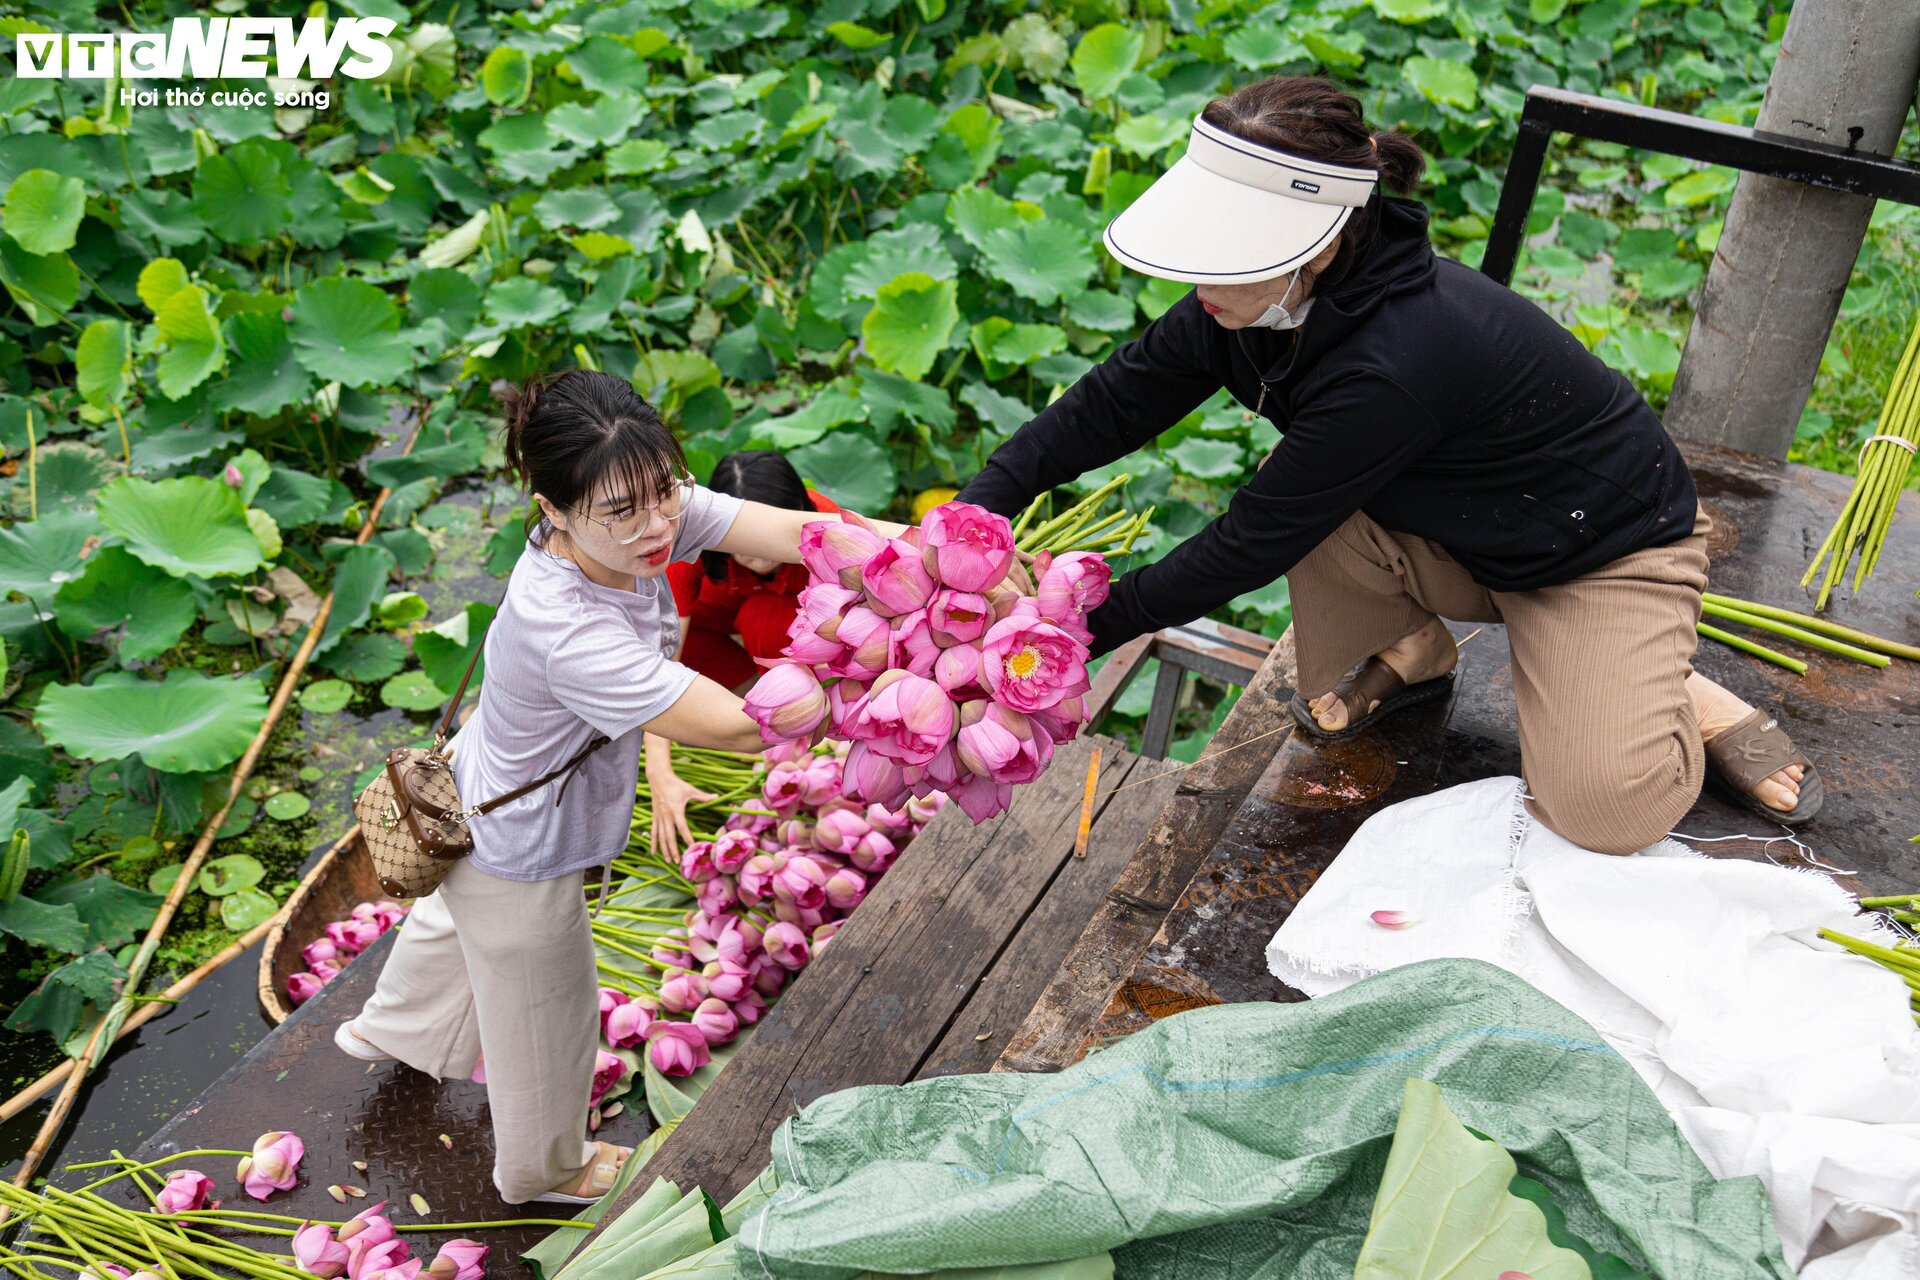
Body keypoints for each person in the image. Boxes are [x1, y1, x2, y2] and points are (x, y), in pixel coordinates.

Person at [955, 75, 1820, 855]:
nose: (1204, 279)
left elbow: (1252, 540)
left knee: (1603, 814)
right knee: (1317, 524)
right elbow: (1111, 405)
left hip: (1596, 551)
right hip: (1440, 520)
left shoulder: (1399, 358)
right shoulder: (1242, 303)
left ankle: (1673, 690)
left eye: (1230, 249)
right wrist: (974, 516)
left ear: (1324, 239)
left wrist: (1062, 635)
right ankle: (1415, 647)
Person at [334, 370, 905, 1206]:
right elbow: (740, 724)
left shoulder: (637, 507)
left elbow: (791, 528)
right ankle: (543, 1170)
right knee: (550, 1019)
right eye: (624, 511)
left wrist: (926, 557)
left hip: (479, 779)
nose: (658, 527)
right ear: (552, 507)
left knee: (448, 927)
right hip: (519, 845)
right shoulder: (563, 625)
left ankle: (388, 1029)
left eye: (664, 493)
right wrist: (885, 668)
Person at [644, 453, 839, 858]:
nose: (756, 554)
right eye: (743, 546)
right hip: (714, 631)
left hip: (798, 626)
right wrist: (659, 773)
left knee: (763, 621)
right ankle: (754, 723)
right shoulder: (688, 543)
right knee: (663, 638)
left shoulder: (825, 524)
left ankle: (801, 721)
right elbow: (660, 665)